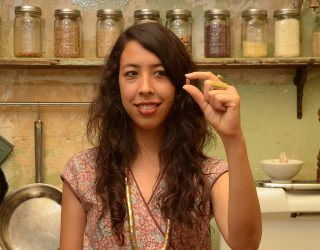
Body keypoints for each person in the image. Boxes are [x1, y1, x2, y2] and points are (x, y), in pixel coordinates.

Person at [60, 22, 262, 250]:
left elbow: (247, 244)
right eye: (131, 74)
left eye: (160, 73)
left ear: (179, 85)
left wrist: (233, 138)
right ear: (116, 85)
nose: (145, 87)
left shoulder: (208, 174)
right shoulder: (83, 171)